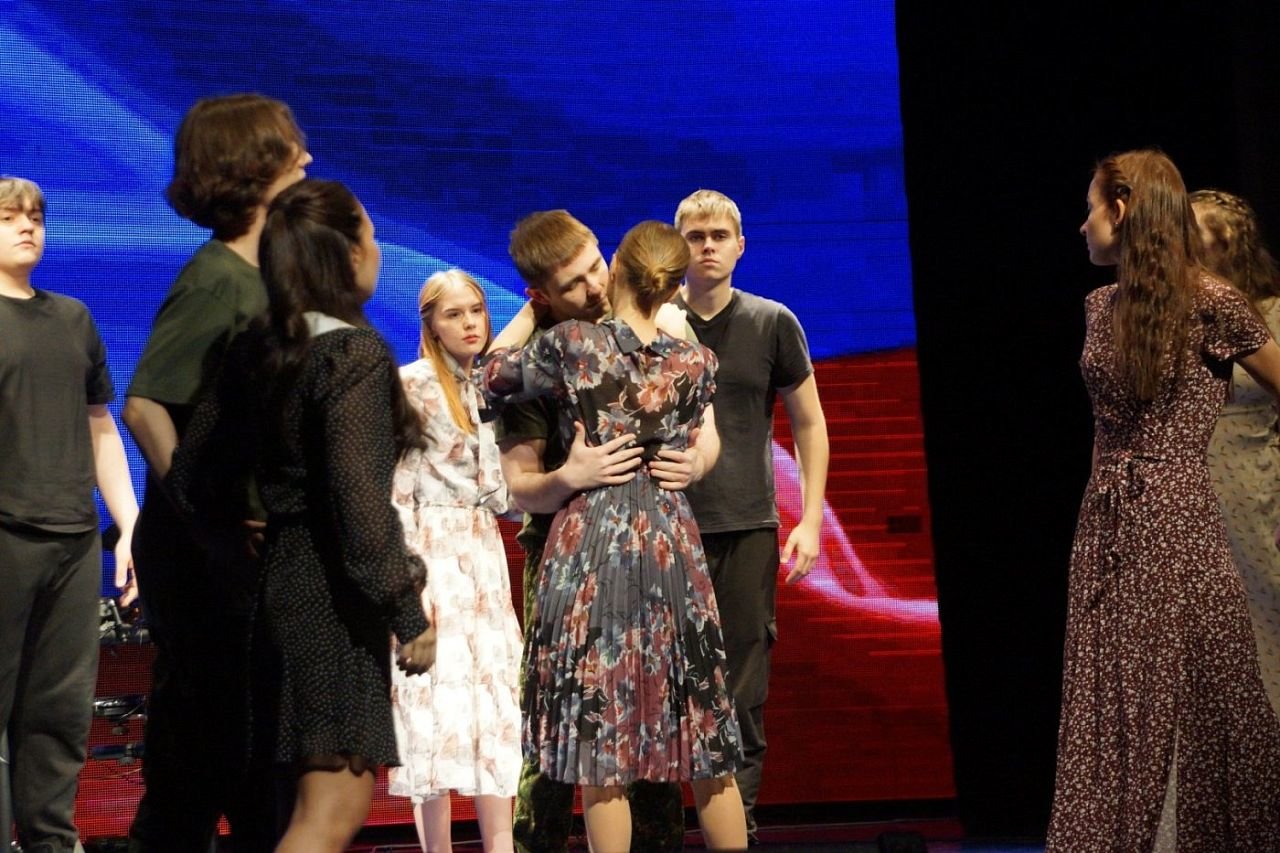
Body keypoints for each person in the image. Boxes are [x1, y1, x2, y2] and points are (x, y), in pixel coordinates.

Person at [168, 178, 437, 853]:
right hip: (331, 603)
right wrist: (407, 612)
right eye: (371, 234)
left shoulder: (258, 347)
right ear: (347, 253)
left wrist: (236, 530)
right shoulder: (351, 353)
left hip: (274, 595)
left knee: (291, 811)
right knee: (330, 811)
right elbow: (357, 501)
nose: (379, 248)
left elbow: (191, 474)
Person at [480, 220, 746, 853]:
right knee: (704, 736)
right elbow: (696, 424)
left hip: (594, 545)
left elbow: (487, 378)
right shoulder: (697, 359)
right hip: (672, 545)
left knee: (604, 750)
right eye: (573, 281)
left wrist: (696, 461)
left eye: (598, 269)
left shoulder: (572, 345)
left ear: (617, 266)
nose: (594, 285)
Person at [1046, 150, 1280, 851]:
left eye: (1091, 208)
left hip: (1179, 515)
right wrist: (1093, 521)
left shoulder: (1213, 300)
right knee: (1107, 693)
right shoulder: (1099, 306)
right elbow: (1105, 427)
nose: (1083, 225)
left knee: (1202, 692)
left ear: (1121, 210)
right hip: (1107, 518)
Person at [123, 93, 311, 852]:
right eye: (292, 147)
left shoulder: (270, 274)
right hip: (203, 559)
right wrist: (208, 513)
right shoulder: (216, 280)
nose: (307, 157)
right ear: (253, 164)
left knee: (257, 757)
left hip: (251, 551)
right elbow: (145, 406)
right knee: (198, 759)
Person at [669, 189, 829, 841]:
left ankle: (742, 827)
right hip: (666, 528)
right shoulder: (653, 322)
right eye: (695, 235)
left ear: (740, 245)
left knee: (741, 689)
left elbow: (809, 421)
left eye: (719, 235)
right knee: (663, 687)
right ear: (678, 245)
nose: (707, 246)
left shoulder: (771, 322)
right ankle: (663, 825)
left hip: (746, 527)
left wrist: (811, 520)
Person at [0, 175, 139, 853]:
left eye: (36, 216)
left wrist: (130, 523)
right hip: (5, 532)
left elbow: (99, 425)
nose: (27, 226)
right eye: (9, 217)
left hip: (73, 538)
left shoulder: (73, 317)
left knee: (58, 708)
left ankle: (51, 840)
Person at [388, 269, 523, 852]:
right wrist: (407, 585)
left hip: (483, 558)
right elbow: (394, 494)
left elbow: (503, 493)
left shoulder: (493, 388)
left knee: (492, 708)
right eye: (453, 314)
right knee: (432, 711)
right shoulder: (411, 386)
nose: (469, 323)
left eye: (476, 310)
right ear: (431, 326)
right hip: (431, 558)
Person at [1192, 189, 1280, 716]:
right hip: (1187, 500)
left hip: (1254, 495)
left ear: (1225, 241)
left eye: (1192, 230)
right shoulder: (1178, 322)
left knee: (1264, 625)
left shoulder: (1272, 316)